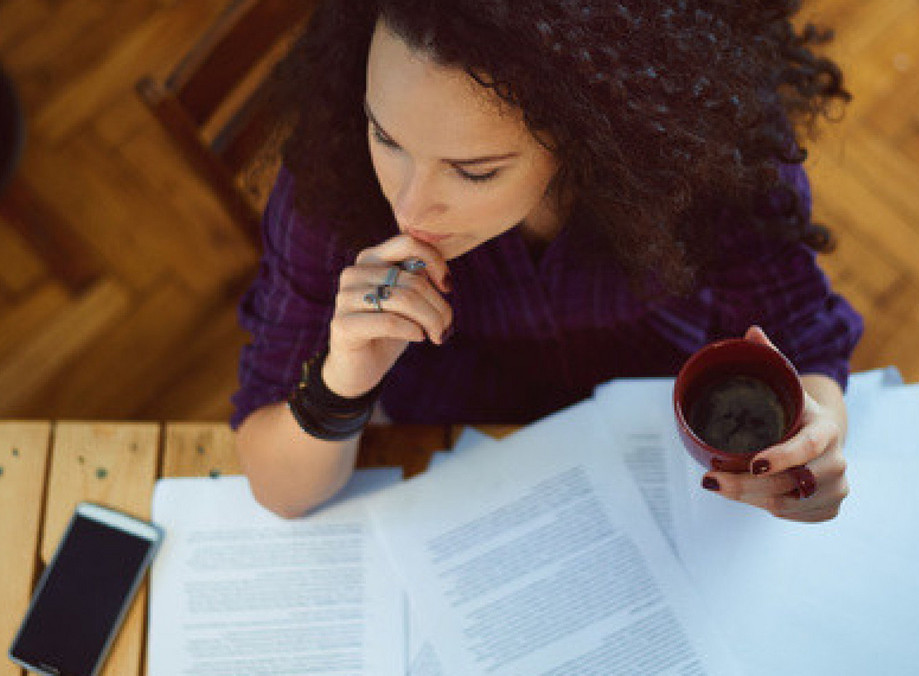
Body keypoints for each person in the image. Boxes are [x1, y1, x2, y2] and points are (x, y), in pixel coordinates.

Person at [232, 0, 864, 521]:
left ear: (584, 133)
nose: (408, 205)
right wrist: (343, 382)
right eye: (385, 136)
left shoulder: (714, 161)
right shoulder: (330, 186)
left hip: (664, 449)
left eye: (473, 171)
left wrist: (813, 442)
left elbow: (802, 339)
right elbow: (279, 487)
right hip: (462, 461)